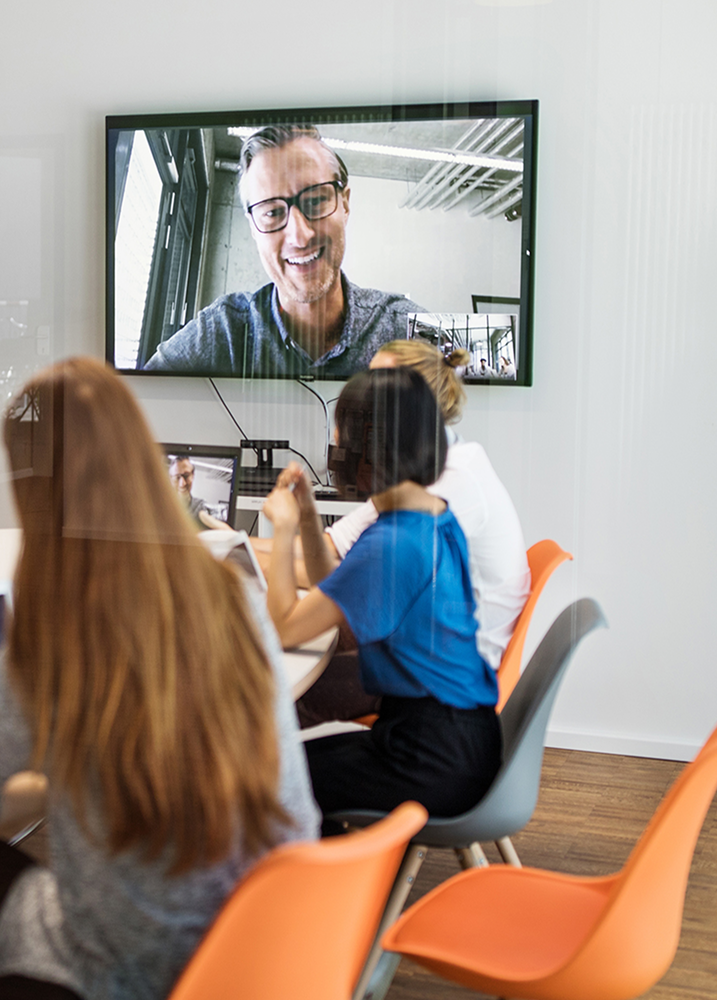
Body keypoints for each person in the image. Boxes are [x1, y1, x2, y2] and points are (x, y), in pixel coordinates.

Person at [0, 357, 318, 1000]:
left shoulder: (59, 634)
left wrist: (36, 766)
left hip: (144, 975)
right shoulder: (233, 595)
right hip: (271, 947)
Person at [262, 368, 499, 835]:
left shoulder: (393, 545)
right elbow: (338, 590)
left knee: (269, 778)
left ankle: (331, 888)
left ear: (371, 451)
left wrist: (283, 528)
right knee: (284, 764)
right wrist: (309, 516)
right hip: (462, 740)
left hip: (429, 760)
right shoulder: (429, 516)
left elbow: (286, 628)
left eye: (341, 438)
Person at [291, 339, 529, 728]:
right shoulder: (420, 485)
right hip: (438, 666)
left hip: (436, 684)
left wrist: (281, 537)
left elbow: (341, 581)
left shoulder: (434, 498)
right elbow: (340, 567)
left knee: (276, 689)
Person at [142, 125, 423, 377]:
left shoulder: (406, 330)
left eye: (315, 201)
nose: (300, 236)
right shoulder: (222, 334)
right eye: (273, 212)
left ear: (345, 203)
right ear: (253, 227)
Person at [168, 453, 210, 523]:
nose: (182, 484)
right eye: (177, 477)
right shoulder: (160, 508)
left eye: (186, 476)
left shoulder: (201, 508)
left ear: (193, 476)